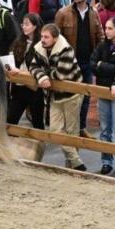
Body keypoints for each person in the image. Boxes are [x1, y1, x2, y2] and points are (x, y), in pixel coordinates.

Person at [28, 23, 87, 171]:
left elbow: (61, 74)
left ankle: (70, 166)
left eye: (46, 37)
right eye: (42, 36)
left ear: (55, 38)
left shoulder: (66, 49)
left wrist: (44, 74)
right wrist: (42, 77)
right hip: (54, 95)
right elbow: (32, 67)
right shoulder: (39, 48)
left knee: (72, 130)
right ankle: (77, 162)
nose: (42, 39)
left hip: (72, 94)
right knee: (55, 130)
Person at [55, 0, 104, 138]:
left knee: (86, 97)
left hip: (87, 62)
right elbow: (55, 39)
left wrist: (97, 58)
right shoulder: (63, 13)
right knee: (69, 97)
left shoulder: (93, 13)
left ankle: (81, 127)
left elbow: (100, 36)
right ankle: (69, 129)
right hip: (69, 64)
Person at [90, 17, 115, 175]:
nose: (106, 31)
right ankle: (106, 161)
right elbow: (92, 63)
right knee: (105, 129)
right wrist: (103, 67)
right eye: (105, 28)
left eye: (110, 28)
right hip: (103, 89)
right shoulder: (102, 44)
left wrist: (101, 65)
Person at [7, 13, 45, 129]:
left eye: (27, 24)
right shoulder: (19, 42)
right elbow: (10, 58)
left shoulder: (41, 44)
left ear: (35, 26)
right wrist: (9, 66)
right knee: (10, 120)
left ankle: (40, 145)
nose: (24, 27)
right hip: (19, 86)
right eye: (23, 24)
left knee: (37, 121)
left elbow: (41, 66)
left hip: (34, 88)